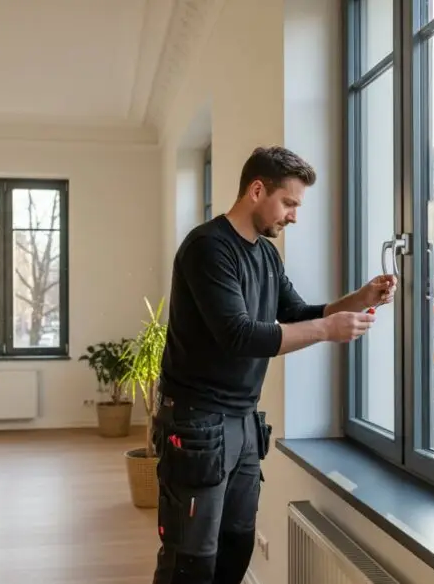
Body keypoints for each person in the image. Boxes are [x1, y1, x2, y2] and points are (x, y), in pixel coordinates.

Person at [151, 146, 397, 584]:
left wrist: (360, 299)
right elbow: (240, 335)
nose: (293, 216)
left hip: (244, 422)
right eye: (289, 203)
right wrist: (328, 330)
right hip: (196, 423)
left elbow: (299, 314)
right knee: (190, 560)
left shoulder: (266, 255)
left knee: (236, 548)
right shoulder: (207, 248)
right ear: (257, 190)